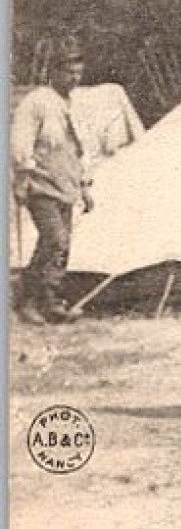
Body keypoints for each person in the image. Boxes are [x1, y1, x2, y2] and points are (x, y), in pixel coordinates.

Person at [11, 38, 92, 324]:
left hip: (65, 186)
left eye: (78, 73)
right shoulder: (37, 102)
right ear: (54, 72)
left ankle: (50, 300)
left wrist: (85, 186)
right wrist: (25, 173)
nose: (74, 78)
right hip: (41, 184)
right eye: (69, 72)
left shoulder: (72, 104)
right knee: (54, 238)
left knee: (62, 244)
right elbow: (20, 143)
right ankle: (27, 299)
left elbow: (78, 148)